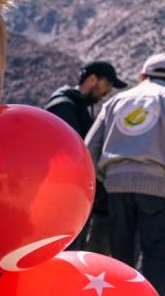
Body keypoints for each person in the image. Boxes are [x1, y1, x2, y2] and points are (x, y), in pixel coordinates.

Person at [86, 53, 165, 296]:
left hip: (116, 187)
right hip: (158, 190)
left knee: (121, 259)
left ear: (142, 76)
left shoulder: (115, 102)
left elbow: (89, 147)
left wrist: (106, 178)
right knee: (154, 259)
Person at [46, 61, 128, 252]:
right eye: (107, 84)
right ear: (92, 79)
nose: (107, 91)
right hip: (64, 193)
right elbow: (67, 153)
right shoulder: (64, 107)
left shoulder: (78, 108)